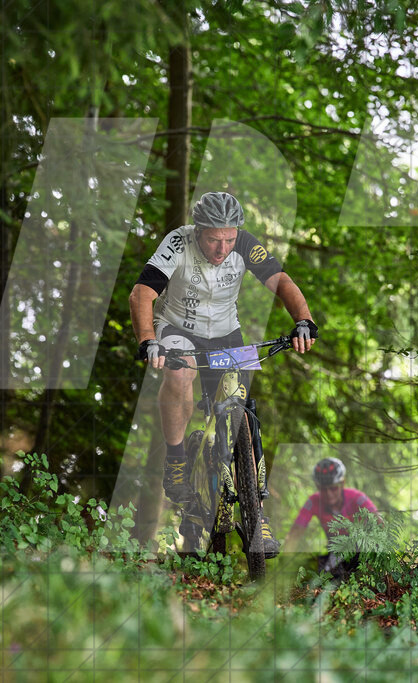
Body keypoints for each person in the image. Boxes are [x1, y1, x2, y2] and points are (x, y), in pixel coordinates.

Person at [129, 191, 317, 556]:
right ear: (198, 230)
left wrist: (303, 320)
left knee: (244, 408)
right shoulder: (177, 243)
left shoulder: (245, 243)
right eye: (215, 238)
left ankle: (256, 514)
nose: (222, 247)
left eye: (229, 238)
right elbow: (142, 294)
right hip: (177, 329)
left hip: (226, 333)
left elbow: (282, 282)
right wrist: (149, 340)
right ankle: (177, 460)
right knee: (180, 375)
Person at [285, 457, 379, 566]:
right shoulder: (314, 501)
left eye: (333, 488)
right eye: (323, 489)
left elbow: (379, 523)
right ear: (317, 486)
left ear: (342, 483)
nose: (329, 494)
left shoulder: (357, 498)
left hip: (364, 549)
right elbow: (295, 534)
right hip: (337, 552)